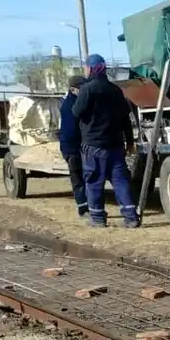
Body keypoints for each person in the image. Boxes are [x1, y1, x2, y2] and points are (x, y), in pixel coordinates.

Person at [71, 54, 137, 227]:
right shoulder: (115, 90)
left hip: (94, 145)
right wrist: (130, 141)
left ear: (91, 68)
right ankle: (131, 217)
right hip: (115, 145)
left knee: (94, 182)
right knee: (121, 182)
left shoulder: (87, 89)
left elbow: (76, 113)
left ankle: (98, 218)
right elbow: (125, 118)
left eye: (86, 67)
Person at [59, 74, 88, 217]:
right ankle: (83, 207)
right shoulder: (71, 105)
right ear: (73, 89)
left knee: (83, 178)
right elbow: (71, 130)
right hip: (73, 148)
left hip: (74, 147)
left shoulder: (73, 102)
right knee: (78, 179)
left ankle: (87, 205)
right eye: (82, 87)